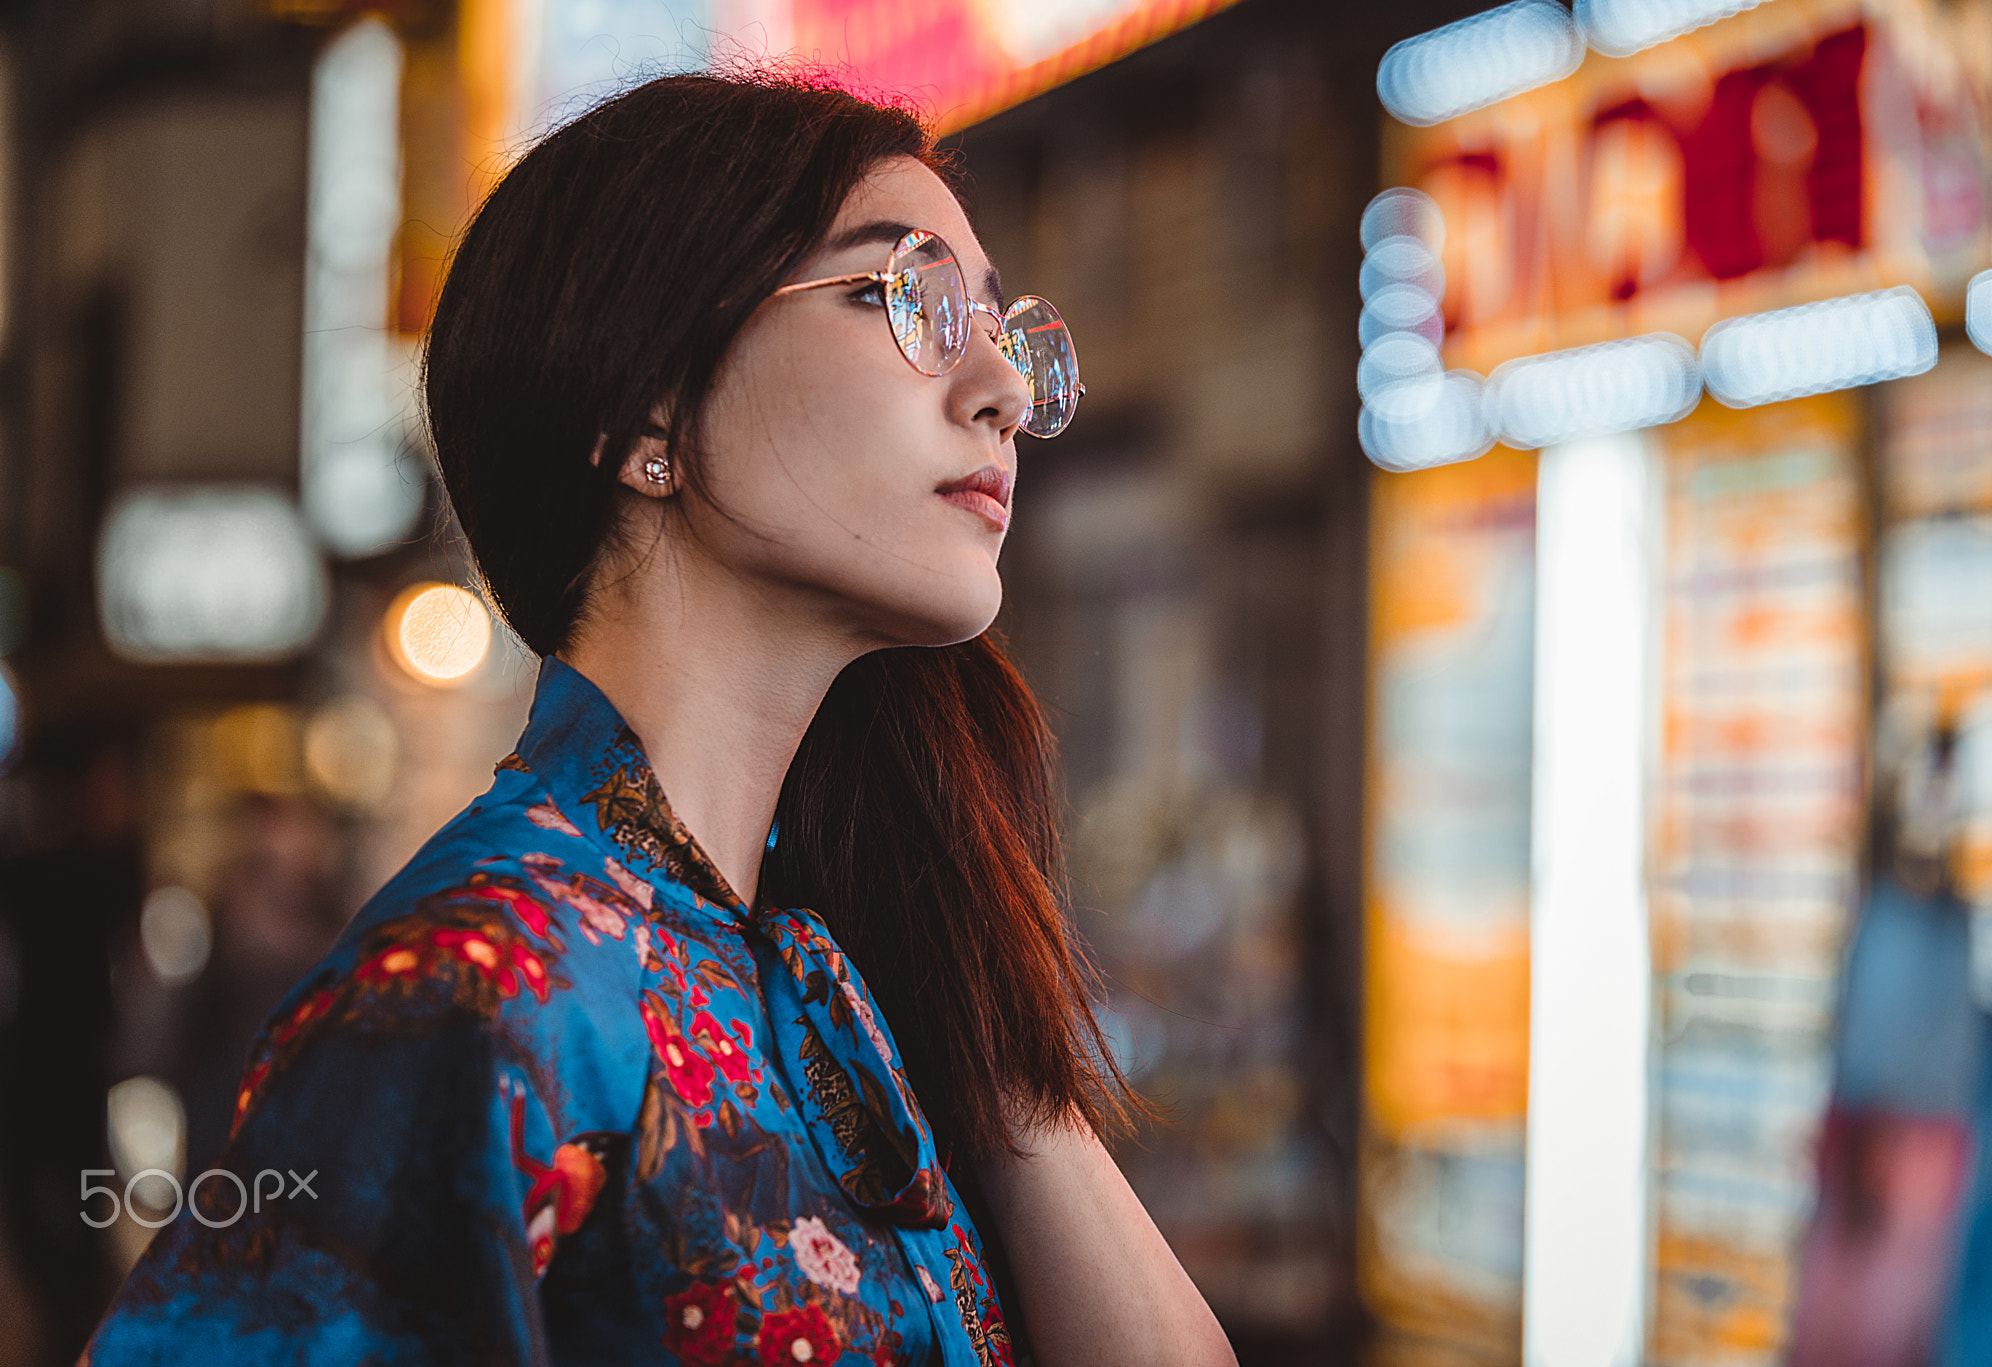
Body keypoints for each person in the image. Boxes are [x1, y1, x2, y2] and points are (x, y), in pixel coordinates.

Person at [85, 69, 1235, 1367]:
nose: (1003, 393)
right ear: (650, 407)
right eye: (894, 297)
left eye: (999, 327)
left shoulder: (824, 977)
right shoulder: (486, 985)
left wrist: (980, 1004)